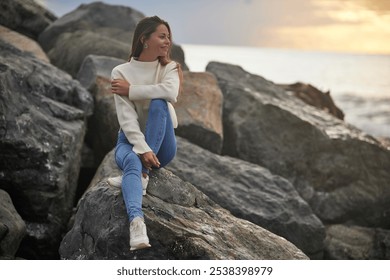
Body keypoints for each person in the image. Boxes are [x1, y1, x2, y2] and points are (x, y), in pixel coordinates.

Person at [107, 16, 182, 251]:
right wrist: (142, 149)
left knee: (160, 102)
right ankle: (137, 224)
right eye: (162, 36)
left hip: (163, 146)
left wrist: (133, 90)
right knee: (130, 160)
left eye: (169, 37)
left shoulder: (169, 68)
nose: (167, 41)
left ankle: (142, 172)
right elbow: (127, 121)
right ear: (144, 39)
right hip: (129, 140)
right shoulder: (120, 71)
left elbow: (170, 92)